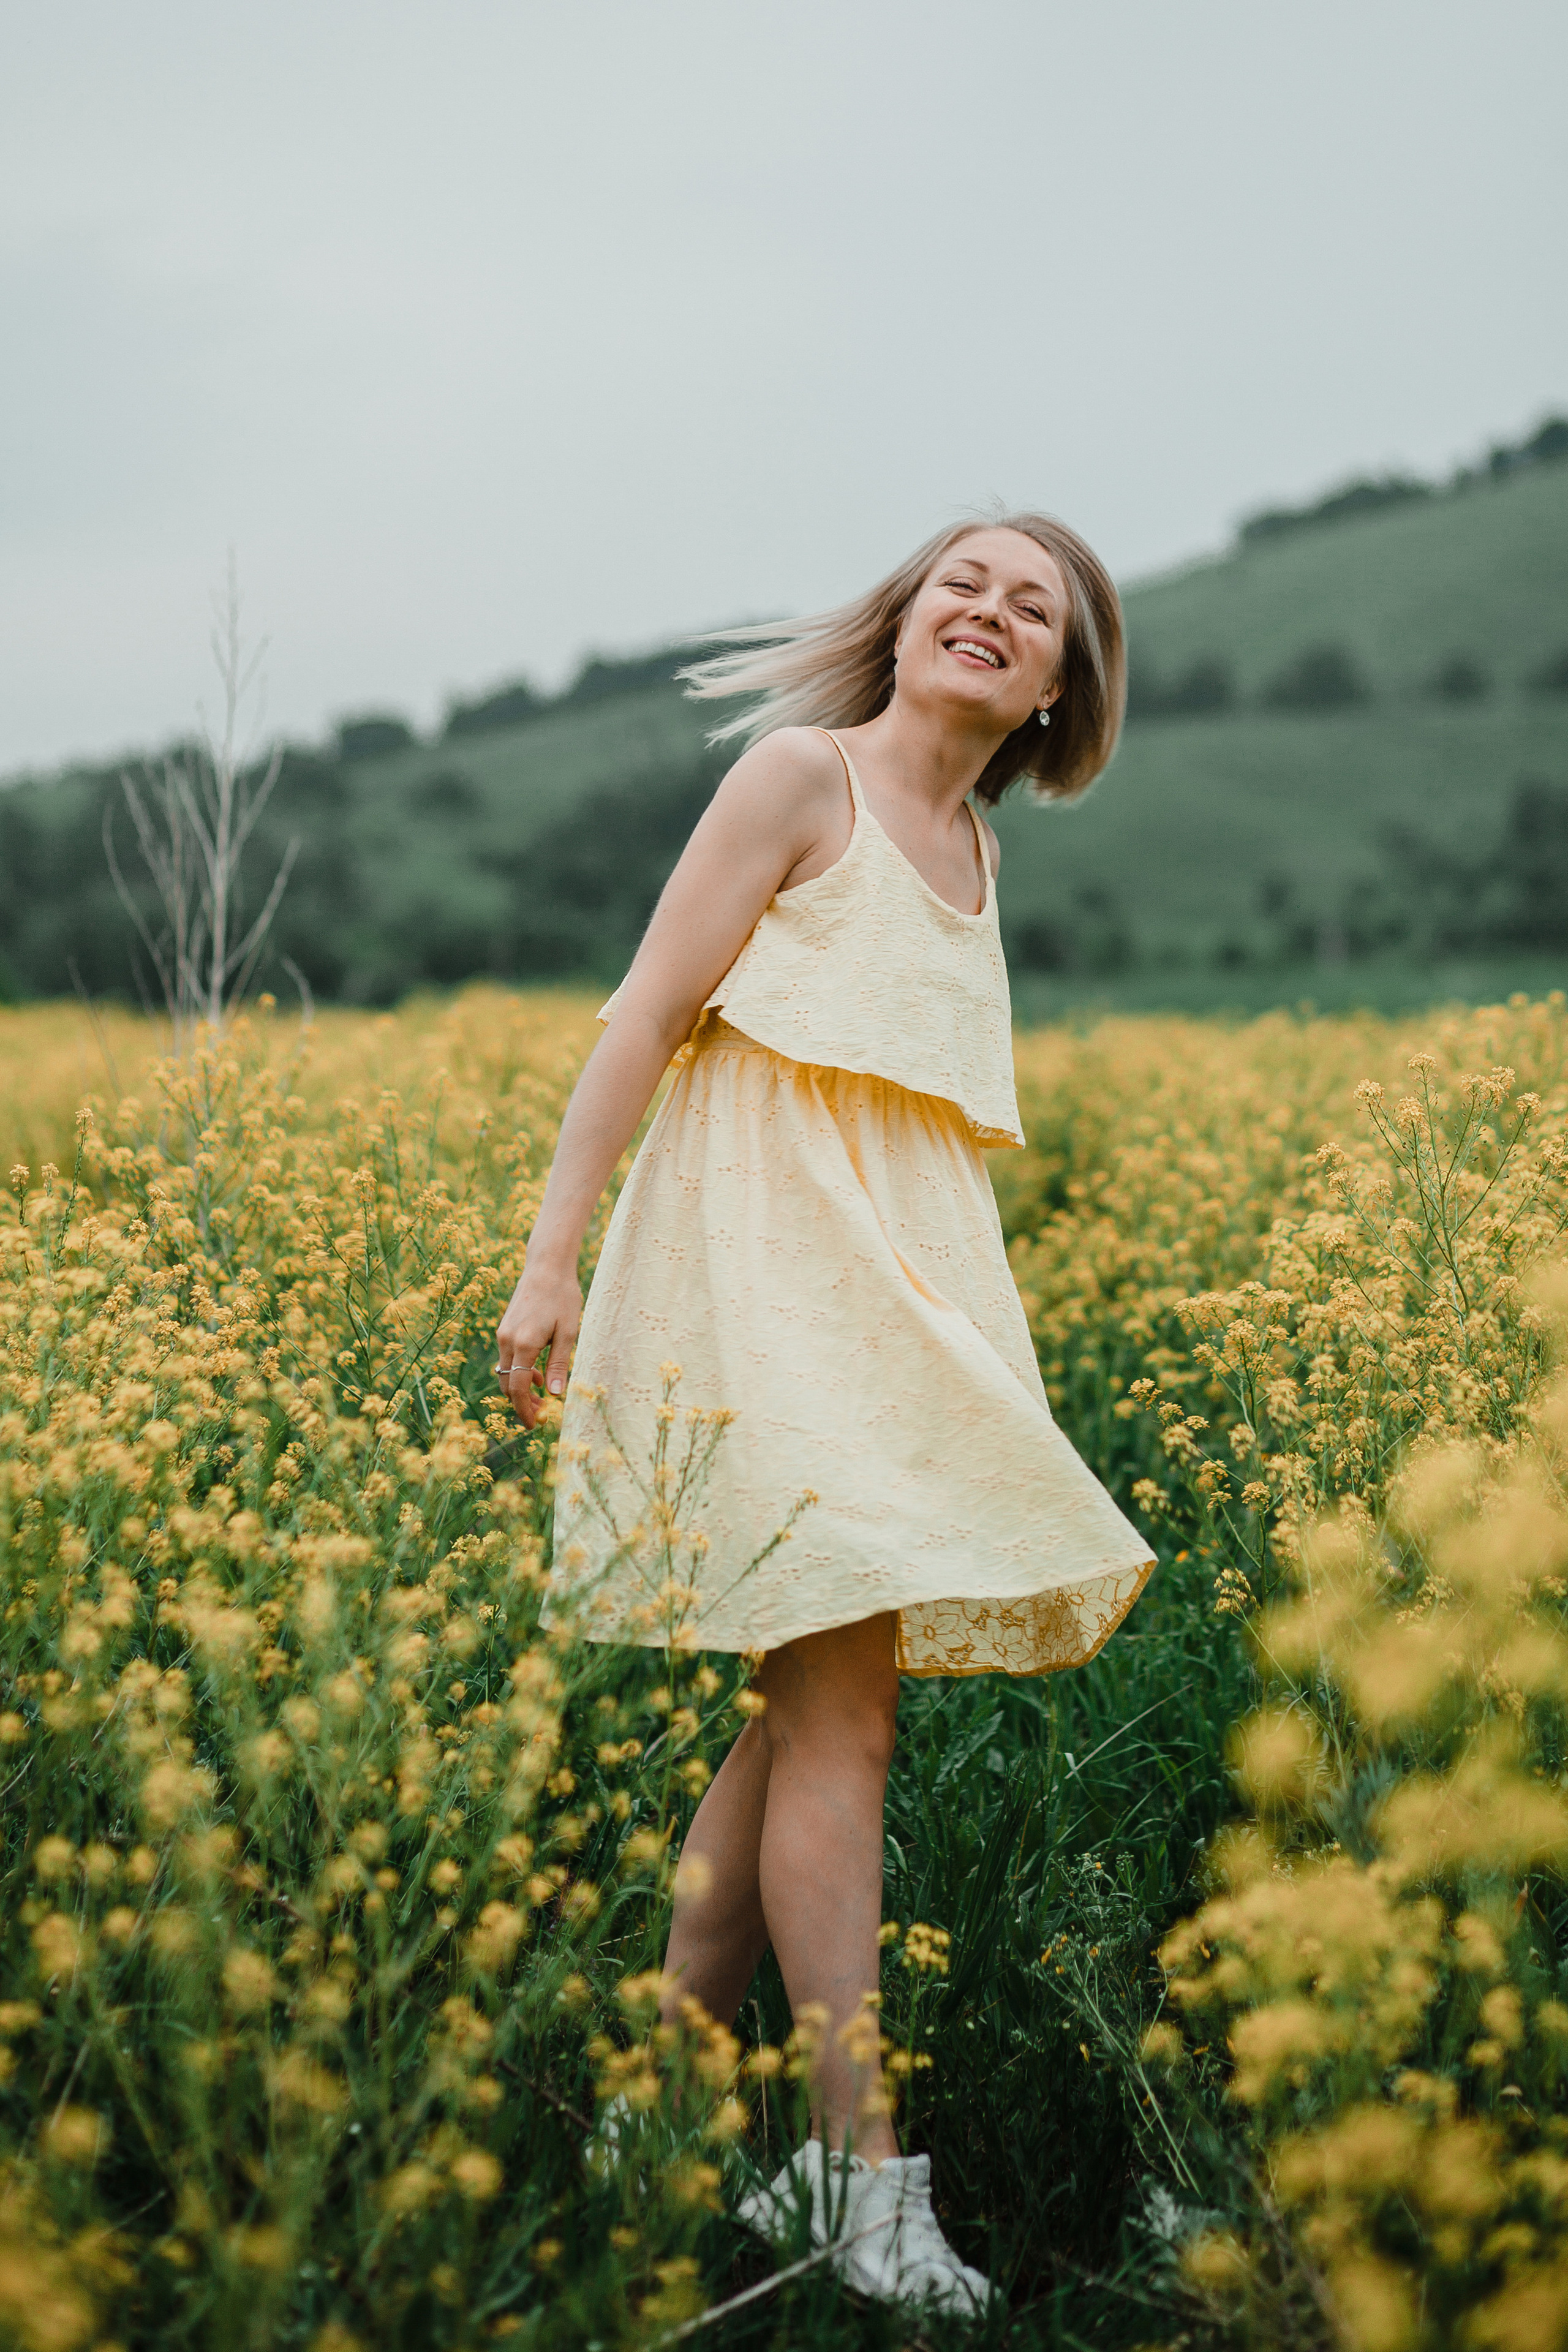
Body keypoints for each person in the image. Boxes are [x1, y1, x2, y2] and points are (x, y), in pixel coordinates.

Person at [496, 512, 1155, 2314]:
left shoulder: (974, 848)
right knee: (843, 1721)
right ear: (909, 612)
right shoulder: (806, 779)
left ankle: (648, 2113)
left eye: (1037, 612)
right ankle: (853, 2181)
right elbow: (644, 1015)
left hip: (887, 1297)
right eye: (970, 581)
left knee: (810, 1719)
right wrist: (551, 1263)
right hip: (752, 1274)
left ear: (1053, 692)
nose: (993, 613)